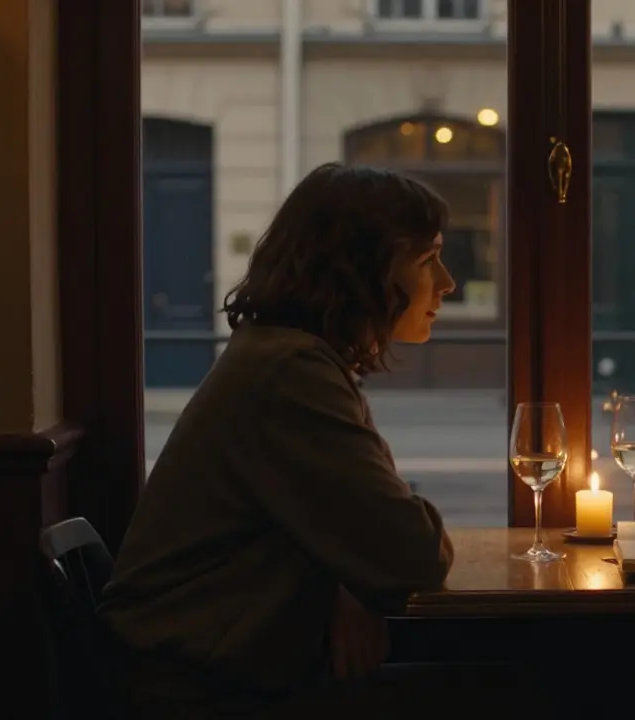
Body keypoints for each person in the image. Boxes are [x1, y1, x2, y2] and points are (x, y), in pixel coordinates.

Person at [99, 164, 530, 717]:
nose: (447, 282)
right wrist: (355, 572)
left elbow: (349, 527)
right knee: (519, 692)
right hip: (201, 692)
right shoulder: (291, 373)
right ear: (360, 271)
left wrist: (341, 584)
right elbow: (412, 553)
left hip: (215, 670)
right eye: (427, 261)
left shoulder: (284, 357)